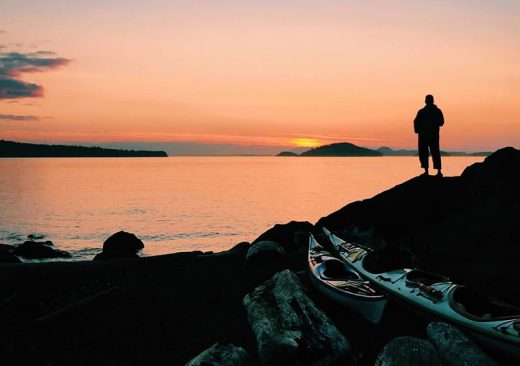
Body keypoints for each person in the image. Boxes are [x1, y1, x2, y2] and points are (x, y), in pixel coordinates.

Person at [413, 94, 444, 176]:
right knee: (433, 153)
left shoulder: (422, 112)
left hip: (426, 136)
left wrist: (417, 129)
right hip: (430, 136)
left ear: (426, 101)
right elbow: (441, 122)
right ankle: (436, 171)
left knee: (429, 153)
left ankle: (431, 171)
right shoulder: (435, 111)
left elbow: (441, 122)